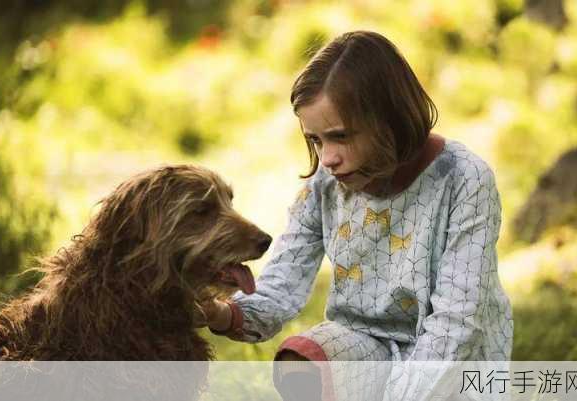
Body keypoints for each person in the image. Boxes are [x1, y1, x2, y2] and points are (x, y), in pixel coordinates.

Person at [202, 30, 513, 401]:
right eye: (316, 140)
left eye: (340, 137)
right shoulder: (327, 182)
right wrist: (220, 314)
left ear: (388, 119)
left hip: (455, 363)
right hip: (366, 345)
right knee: (301, 361)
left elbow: (457, 322)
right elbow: (283, 279)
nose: (327, 157)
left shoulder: (464, 178)